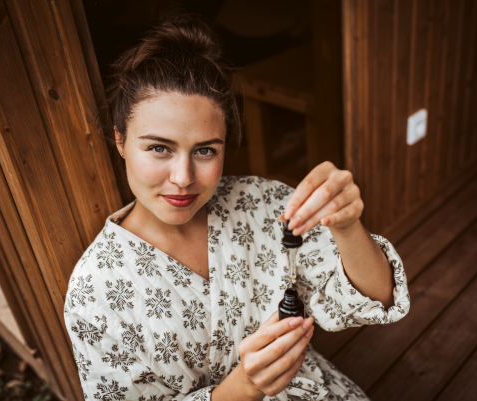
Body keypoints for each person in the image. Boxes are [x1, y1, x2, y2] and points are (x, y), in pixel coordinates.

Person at [64, 14, 409, 401]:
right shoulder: (94, 293)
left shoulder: (263, 204)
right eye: (159, 147)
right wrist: (245, 386)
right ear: (120, 140)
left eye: (205, 150)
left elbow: (377, 296)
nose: (183, 177)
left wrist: (347, 226)